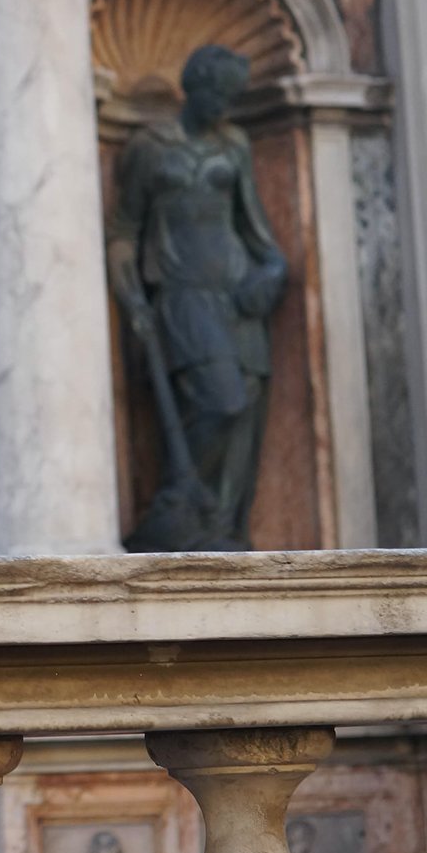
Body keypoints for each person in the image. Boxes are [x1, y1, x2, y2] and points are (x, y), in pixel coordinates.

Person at [107, 44, 286, 551]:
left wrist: (272, 270)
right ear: (195, 88)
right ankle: (177, 501)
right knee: (221, 402)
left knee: (243, 413)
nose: (225, 107)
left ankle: (217, 525)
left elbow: (254, 226)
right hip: (181, 296)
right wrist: (131, 296)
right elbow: (125, 229)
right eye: (220, 95)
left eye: (232, 97)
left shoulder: (234, 145)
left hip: (238, 296)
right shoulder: (150, 147)